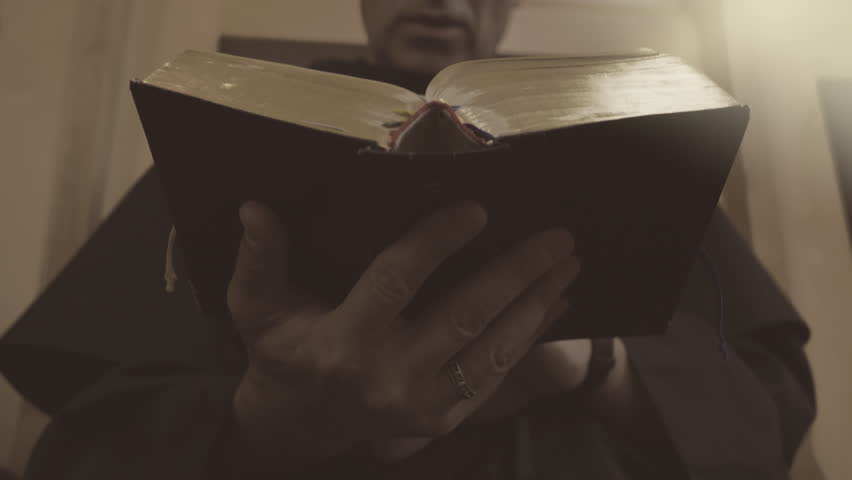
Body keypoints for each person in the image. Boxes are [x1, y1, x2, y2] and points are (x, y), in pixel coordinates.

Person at [0, 1, 815, 479]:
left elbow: (765, 411)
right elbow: (86, 433)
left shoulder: (631, 142)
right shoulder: (231, 134)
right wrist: (265, 425)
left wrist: (592, 363)